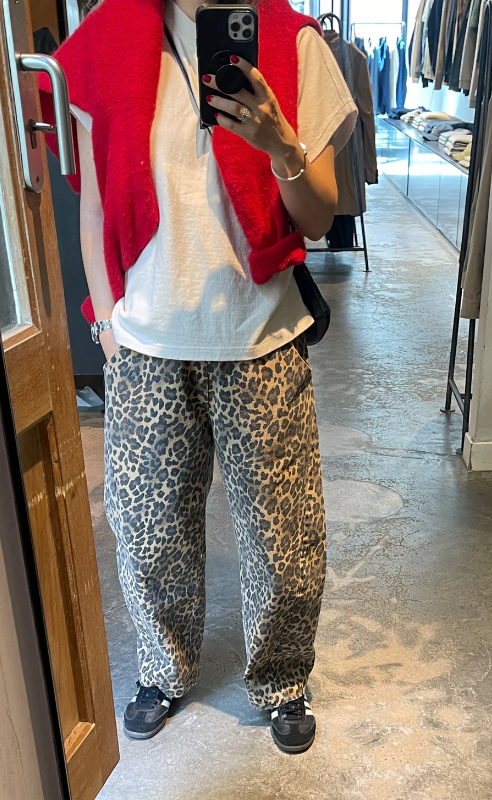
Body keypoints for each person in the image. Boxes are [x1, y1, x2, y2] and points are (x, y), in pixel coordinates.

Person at [42, 0, 356, 753]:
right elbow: (94, 208)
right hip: (147, 343)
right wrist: (107, 327)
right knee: (147, 533)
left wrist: (281, 146)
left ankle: (280, 677)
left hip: (262, 336)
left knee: (283, 539)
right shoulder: (104, 40)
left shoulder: (294, 43)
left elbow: (318, 219)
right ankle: (164, 665)